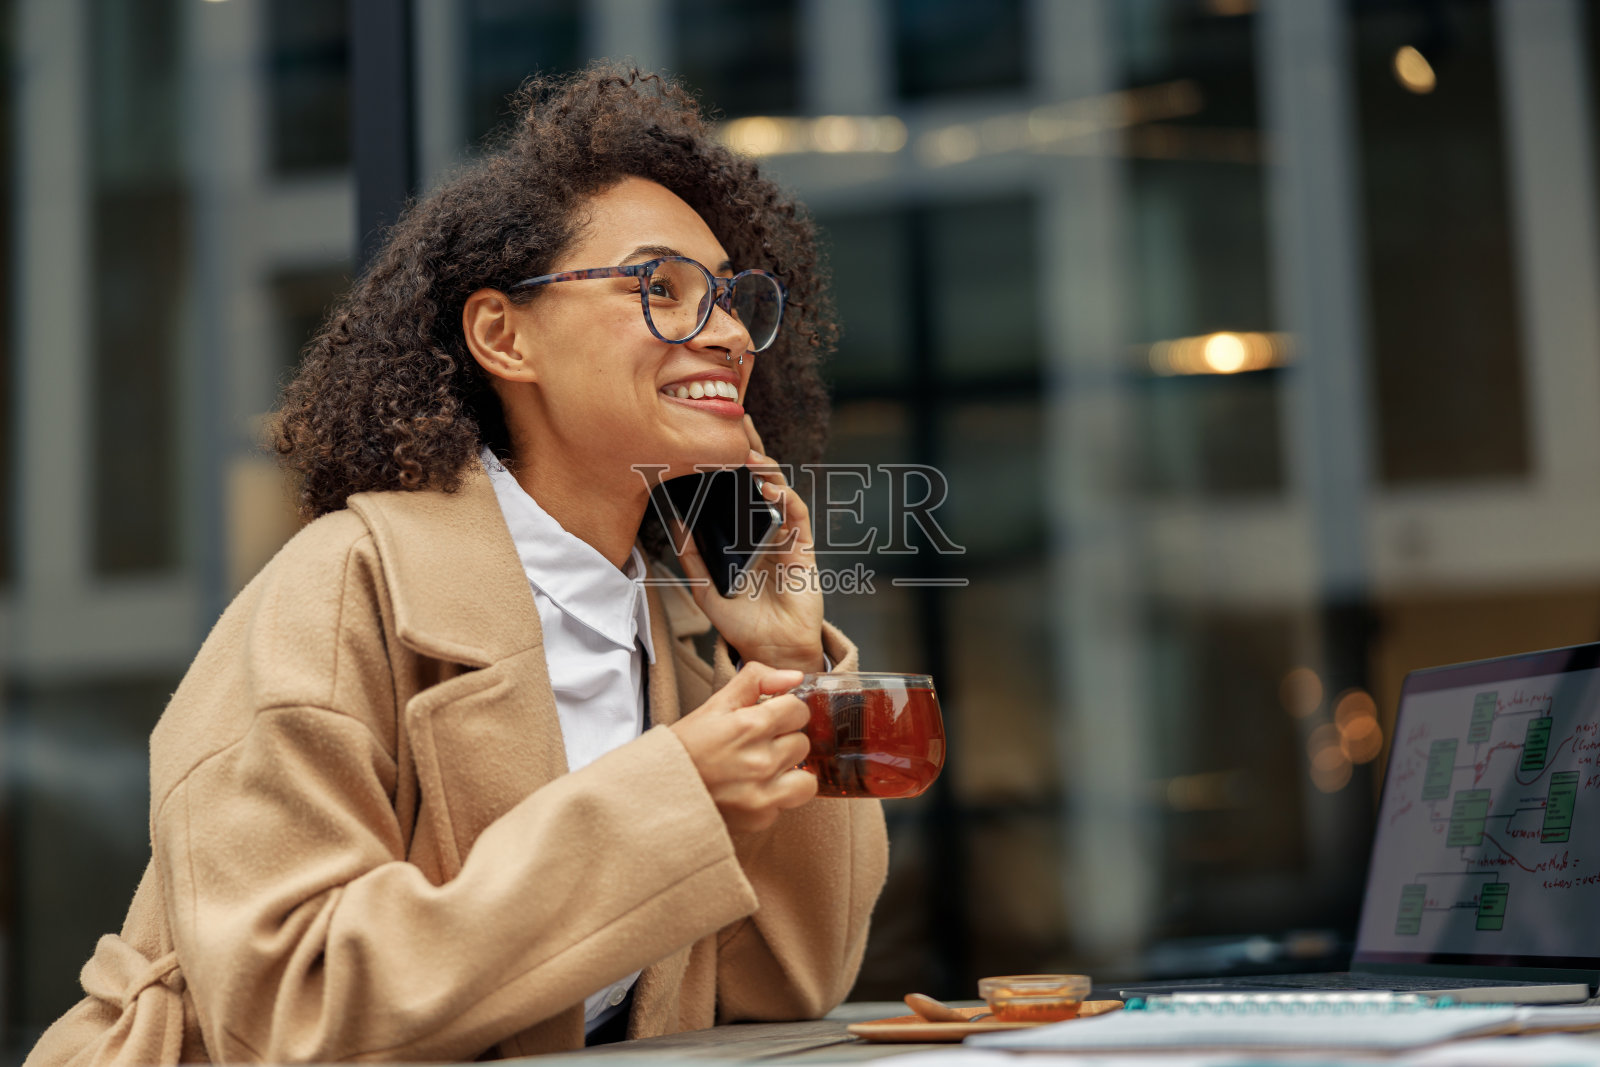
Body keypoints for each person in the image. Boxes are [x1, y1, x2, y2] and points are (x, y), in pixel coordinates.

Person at [26, 67, 888, 1065]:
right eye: (662, 290)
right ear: (501, 334)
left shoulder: (680, 632)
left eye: (735, 300)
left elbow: (788, 977)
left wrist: (788, 662)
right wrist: (672, 797)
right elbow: (286, 1012)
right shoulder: (342, 589)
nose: (730, 334)